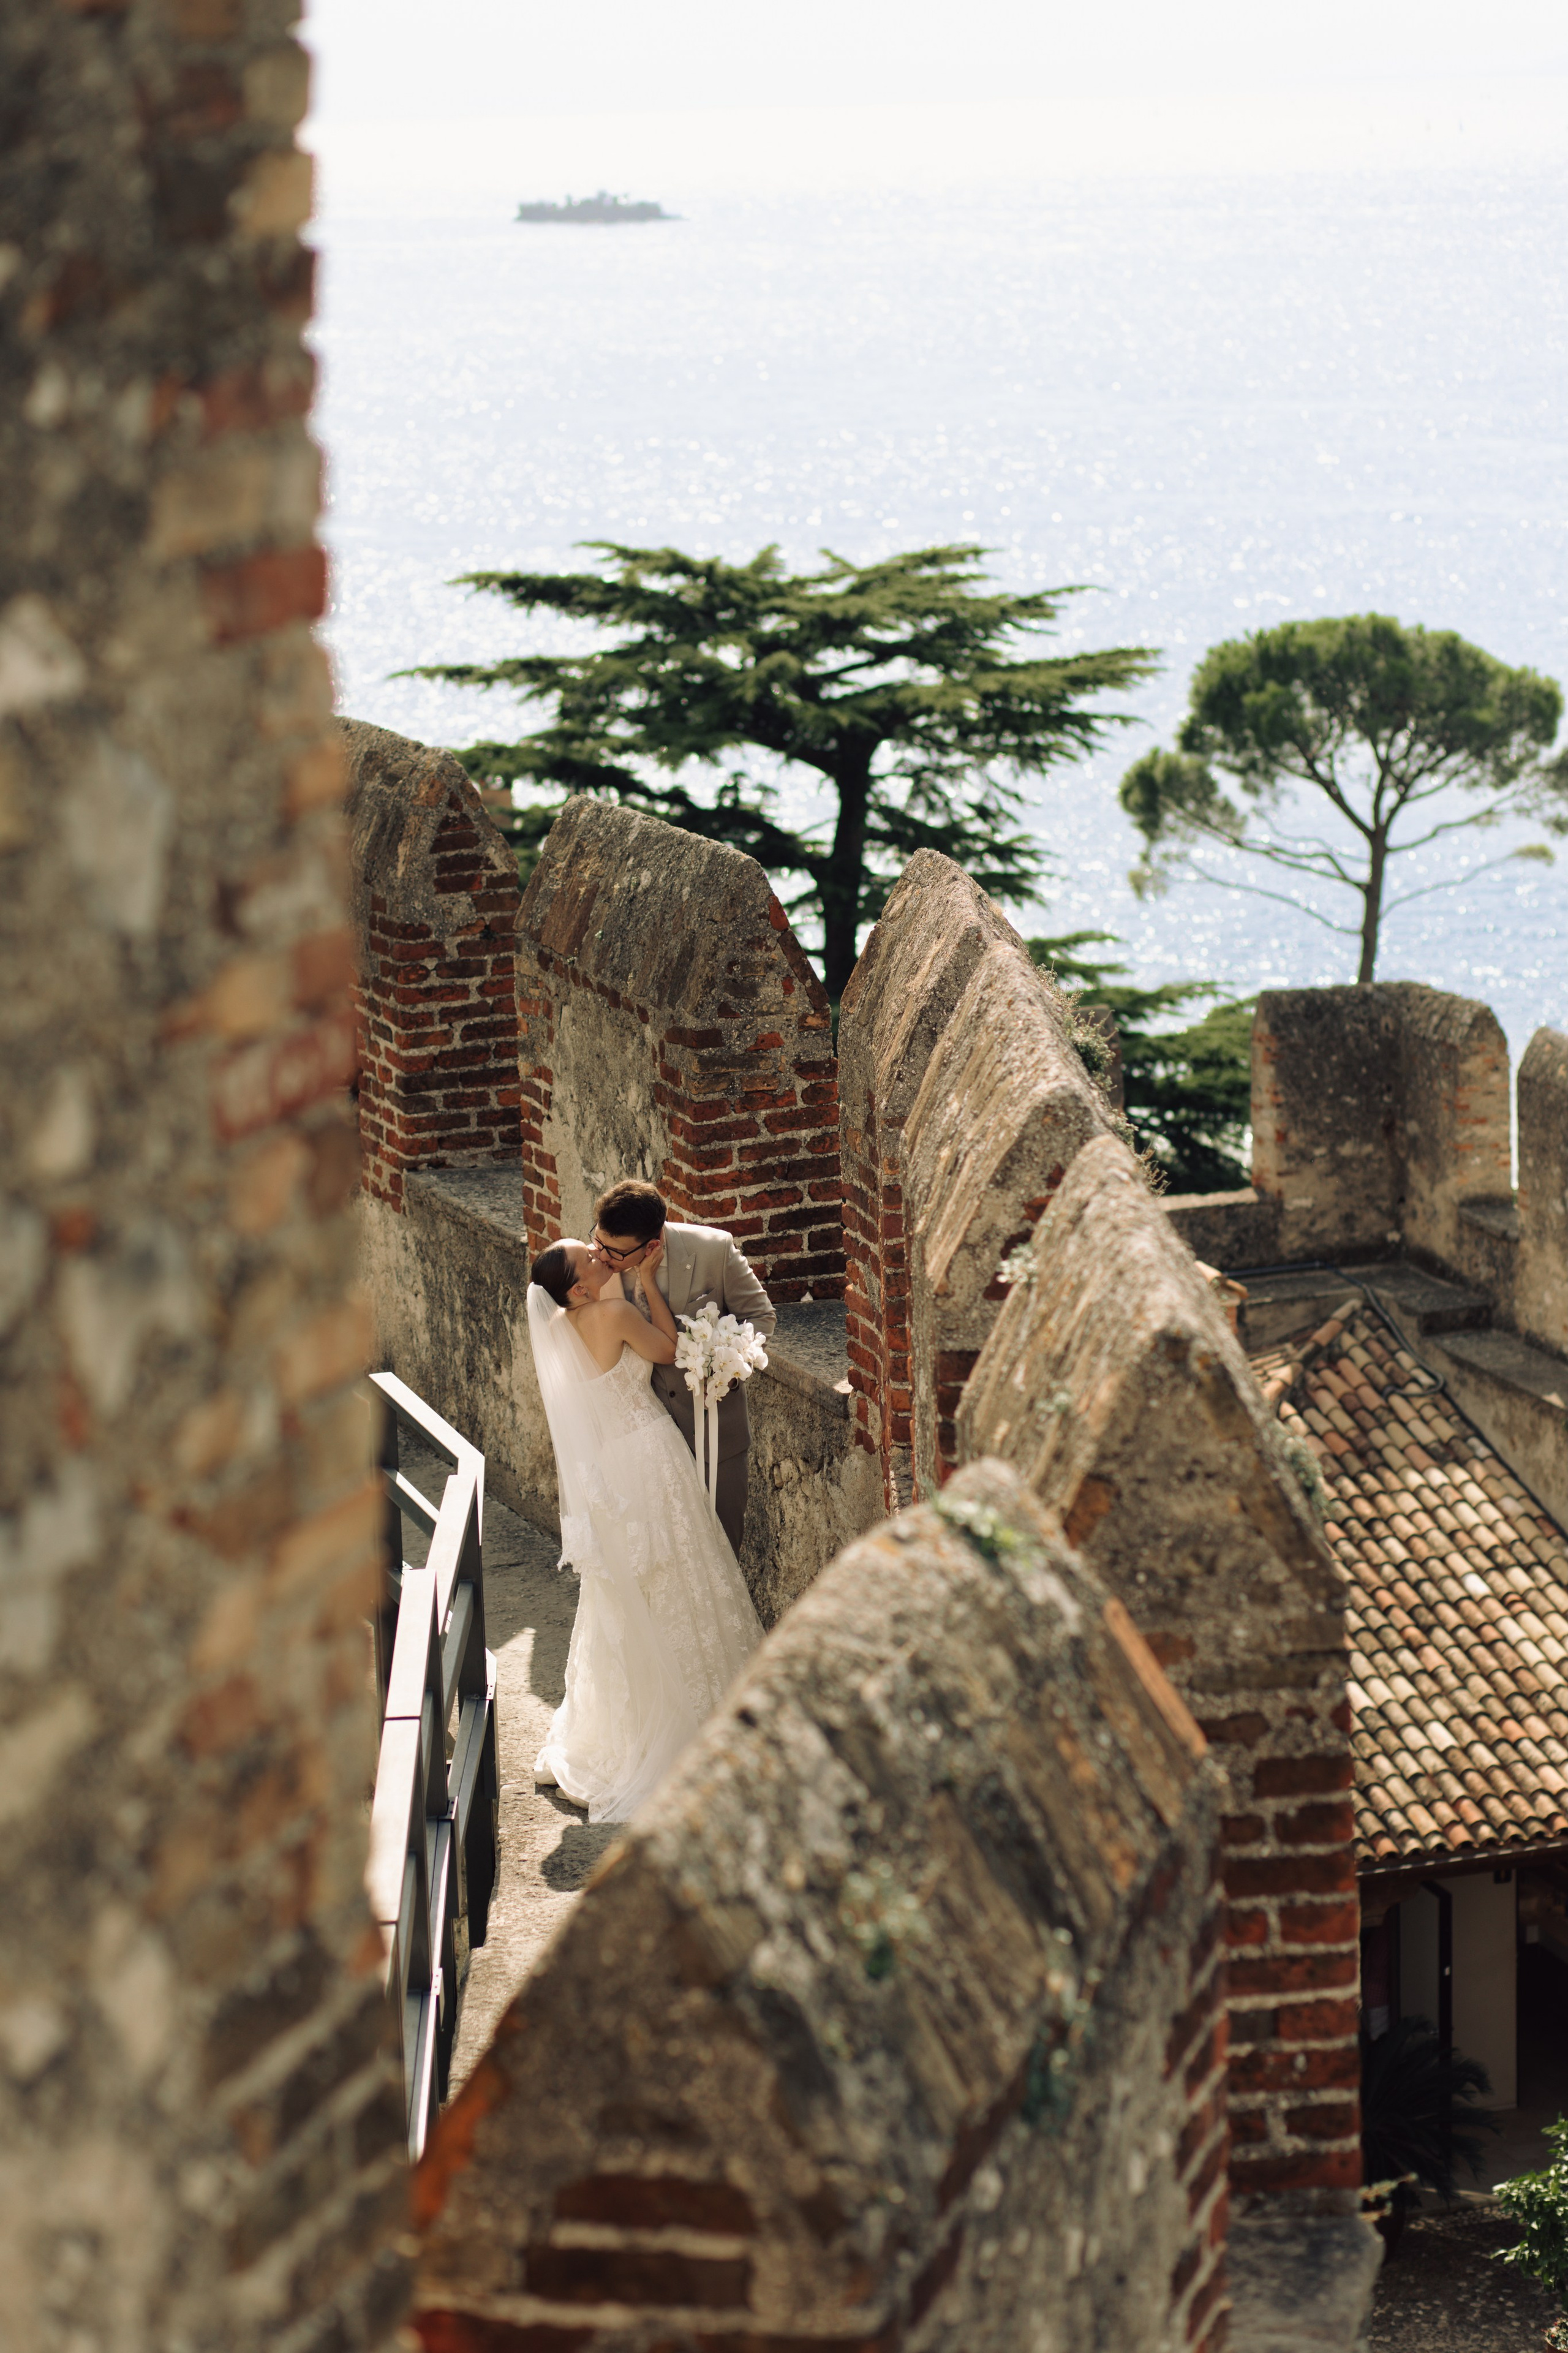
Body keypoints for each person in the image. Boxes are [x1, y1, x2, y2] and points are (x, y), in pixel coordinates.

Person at [526, 1236, 764, 1821]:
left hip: (612, 1471)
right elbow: (667, 1349)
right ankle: (694, 1714)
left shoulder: (560, 1328)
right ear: (580, 1288)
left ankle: (625, 1725)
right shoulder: (615, 1311)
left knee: (632, 1593)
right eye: (590, 1259)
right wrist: (651, 1283)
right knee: (683, 1574)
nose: (598, 1256)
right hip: (651, 1458)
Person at [588, 1178, 776, 1557]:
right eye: (598, 1240)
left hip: (715, 1438)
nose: (601, 1255)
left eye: (614, 1251)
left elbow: (760, 1316)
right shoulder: (592, 1264)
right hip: (640, 1444)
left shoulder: (713, 1250)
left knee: (723, 1554)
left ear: (652, 1244)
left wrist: (725, 1361)